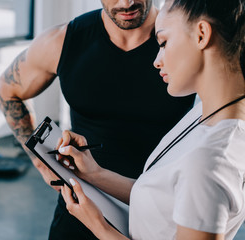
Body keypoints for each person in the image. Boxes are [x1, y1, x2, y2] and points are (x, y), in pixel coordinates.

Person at [0, 0, 195, 239]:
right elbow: (7, 91)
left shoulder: (185, 38)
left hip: (157, 208)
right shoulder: (62, 41)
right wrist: (40, 161)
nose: (127, 3)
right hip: (81, 204)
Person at [58, 0, 245, 239]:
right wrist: (94, 173)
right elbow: (165, 200)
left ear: (201, 35)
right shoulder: (209, 115)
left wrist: (99, 226)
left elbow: (199, 176)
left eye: (164, 43)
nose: (157, 60)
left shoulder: (209, 160)